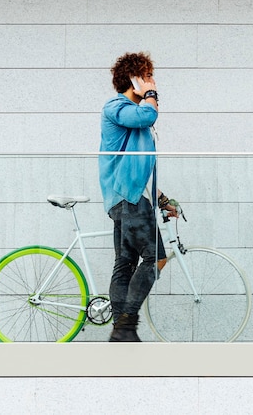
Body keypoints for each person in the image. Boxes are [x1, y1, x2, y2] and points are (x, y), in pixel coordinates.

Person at [98, 52, 177, 342]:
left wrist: (161, 198)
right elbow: (149, 113)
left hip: (129, 197)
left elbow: (140, 168)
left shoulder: (135, 118)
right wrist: (151, 94)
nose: (152, 81)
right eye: (146, 76)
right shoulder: (116, 107)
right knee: (156, 258)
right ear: (133, 79)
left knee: (126, 263)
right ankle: (126, 325)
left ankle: (122, 332)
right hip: (127, 198)